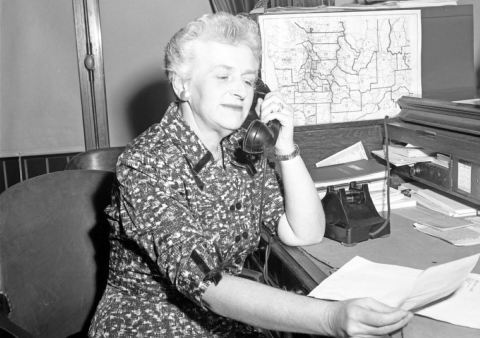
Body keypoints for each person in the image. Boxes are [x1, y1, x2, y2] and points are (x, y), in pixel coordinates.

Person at [88, 12, 413, 337]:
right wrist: (330, 317)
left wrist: (285, 146)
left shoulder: (242, 151)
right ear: (182, 85)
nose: (241, 92)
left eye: (247, 79)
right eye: (223, 77)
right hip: (152, 326)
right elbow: (207, 283)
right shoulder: (145, 162)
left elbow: (305, 232)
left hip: (224, 323)